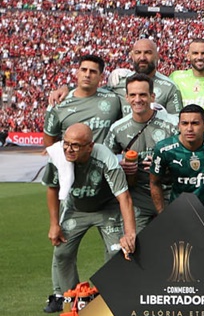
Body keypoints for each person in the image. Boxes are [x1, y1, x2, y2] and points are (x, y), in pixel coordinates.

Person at [41, 123, 137, 313]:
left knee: (116, 251)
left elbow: (123, 196)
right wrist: (54, 224)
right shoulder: (58, 157)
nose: (69, 149)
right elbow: (52, 189)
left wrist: (130, 233)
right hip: (76, 209)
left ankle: (112, 300)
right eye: (66, 143)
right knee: (62, 253)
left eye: (75, 145)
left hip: (106, 209)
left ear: (90, 146)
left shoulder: (105, 158)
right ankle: (73, 301)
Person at [44, 54, 124, 208]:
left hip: (105, 175)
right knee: (63, 227)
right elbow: (49, 142)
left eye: (93, 71)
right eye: (84, 70)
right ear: (77, 72)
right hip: (73, 177)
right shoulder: (58, 103)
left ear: (101, 76)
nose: (87, 74)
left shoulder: (113, 99)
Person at [103, 73, 178, 231]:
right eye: (133, 95)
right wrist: (120, 166)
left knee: (175, 245)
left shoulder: (173, 124)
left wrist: (165, 163)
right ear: (127, 98)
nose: (138, 99)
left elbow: (188, 157)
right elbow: (104, 162)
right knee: (137, 246)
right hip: (137, 197)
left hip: (169, 193)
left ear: (152, 97)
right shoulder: (117, 129)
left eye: (143, 94)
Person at [46, 39, 183, 118]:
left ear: (157, 56)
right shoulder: (120, 81)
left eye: (147, 53)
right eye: (138, 53)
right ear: (132, 56)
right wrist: (67, 88)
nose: (142, 57)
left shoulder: (169, 87)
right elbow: (93, 92)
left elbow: (176, 123)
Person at [149, 104, 204, 212]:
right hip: (182, 208)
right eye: (185, 123)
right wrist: (162, 212)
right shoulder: (164, 149)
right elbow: (154, 182)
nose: (189, 128)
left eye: (195, 123)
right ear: (179, 126)